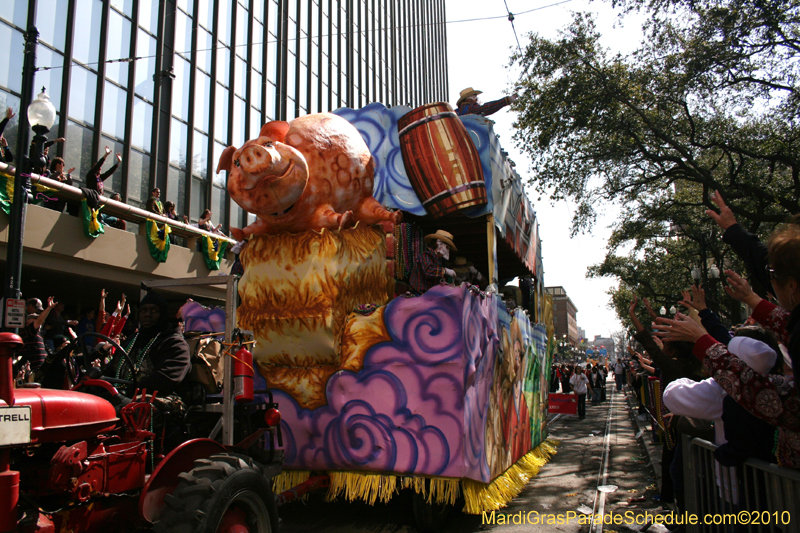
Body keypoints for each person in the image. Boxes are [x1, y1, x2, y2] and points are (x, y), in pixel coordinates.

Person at [105, 291, 191, 398]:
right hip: (119, 396)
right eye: (144, 310)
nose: (147, 315)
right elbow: (112, 369)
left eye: (153, 310)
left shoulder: (174, 343)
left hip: (157, 401)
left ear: (162, 314)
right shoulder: (132, 339)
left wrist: (129, 391)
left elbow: (165, 380)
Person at [408, 229, 457, 294]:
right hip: (419, 294)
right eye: (447, 247)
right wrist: (445, 271)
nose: (447, 251)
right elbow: (428, 271)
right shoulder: (425, 256)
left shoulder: (436, 261)